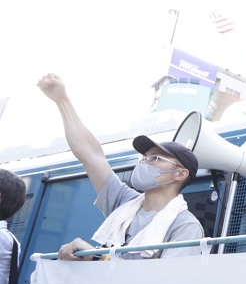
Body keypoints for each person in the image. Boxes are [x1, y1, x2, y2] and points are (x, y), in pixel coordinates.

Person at [37, 73, 205, 260]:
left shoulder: (185, 226)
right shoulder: (125, 202)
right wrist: (62, 100)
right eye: (143, 158)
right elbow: (91, 154)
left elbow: (165, 283)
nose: (144, 163)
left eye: (155, 158)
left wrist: (95, 258)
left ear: (180, 173)